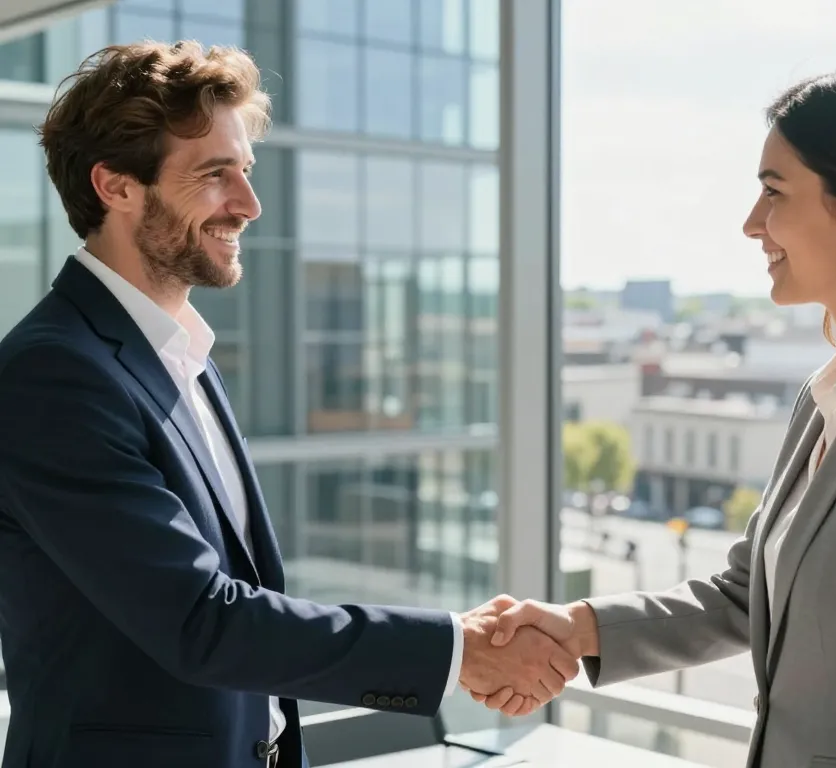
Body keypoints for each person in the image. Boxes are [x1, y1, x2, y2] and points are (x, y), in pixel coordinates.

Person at [0, 41, 577, 768]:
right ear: (116, 187)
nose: (248, 203)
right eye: (215, 175)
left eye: (244, 170)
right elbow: (202, 620)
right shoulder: (54, 374)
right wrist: (459, 652)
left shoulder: (182, 357)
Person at [469, 61, 836, 767]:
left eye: (773, 192)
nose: (751, 223)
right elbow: (745, 598)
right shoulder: (830, 393)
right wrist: (576, 627)